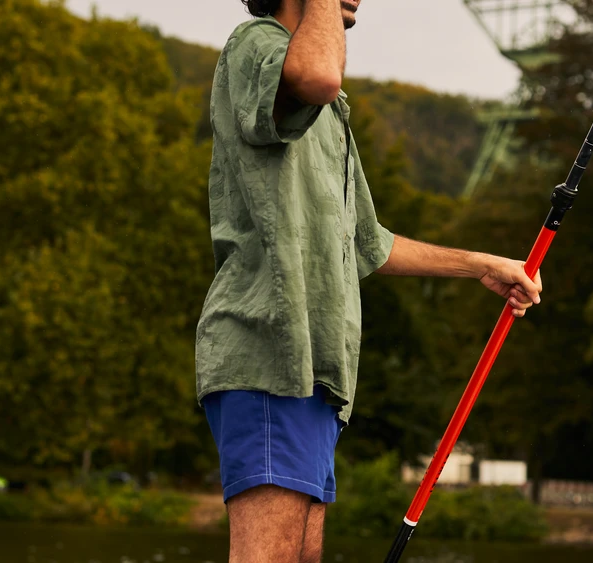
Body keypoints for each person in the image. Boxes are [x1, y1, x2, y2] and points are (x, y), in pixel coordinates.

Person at [195, 0, 543, 561]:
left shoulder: (332, 115)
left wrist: (481, 265)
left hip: (318, 375)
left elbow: (367, 243)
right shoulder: (254, 44)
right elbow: (319, 75)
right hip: (268, 356)